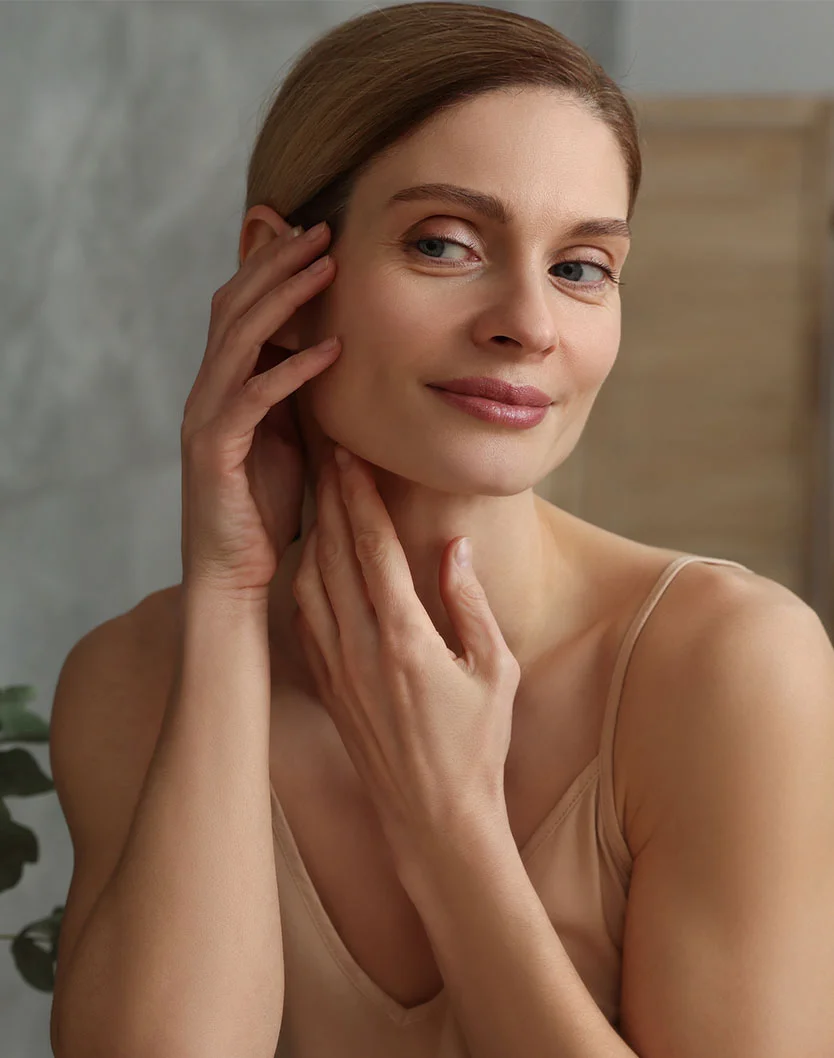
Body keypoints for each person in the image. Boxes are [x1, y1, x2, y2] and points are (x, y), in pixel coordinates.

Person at [49, 4, 834, 1058]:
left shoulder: (732, 664)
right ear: (276, 278)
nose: (529, 321)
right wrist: (230, 599)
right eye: (445, 244)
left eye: (581, 266)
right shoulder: (131, 679)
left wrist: (448, 825)